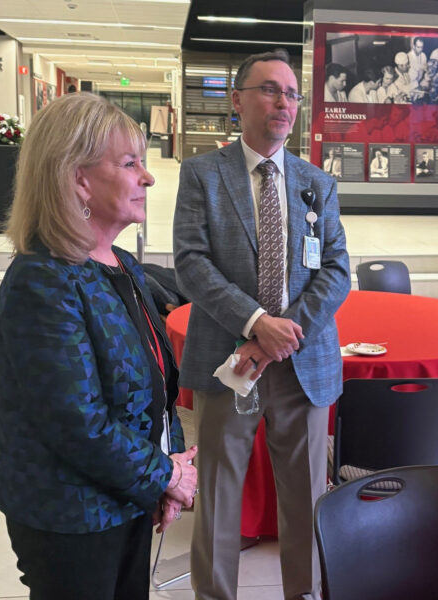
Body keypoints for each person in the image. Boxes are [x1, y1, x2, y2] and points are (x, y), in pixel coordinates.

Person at [0, 92, 198, 599]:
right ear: (76, 177)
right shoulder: (43, 282)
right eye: (130, 164)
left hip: (124, 497)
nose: (147, 178)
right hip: (70, 516)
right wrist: (164, 473)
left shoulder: (120, 265)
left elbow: (153, 388)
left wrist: (162, 475)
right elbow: (78, 423)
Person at [173, 49, 350, 600]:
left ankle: (304, 593)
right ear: (238, 101)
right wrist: (254, 323)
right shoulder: (203, 174)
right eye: (271, 89)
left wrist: (283, 331)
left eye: (292, 94)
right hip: (228, 362)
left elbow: (337, 268)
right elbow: (191, 261)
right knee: (221, 494)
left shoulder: (315, 182)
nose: (284, 102)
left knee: (306, 495)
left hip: (303, 363)